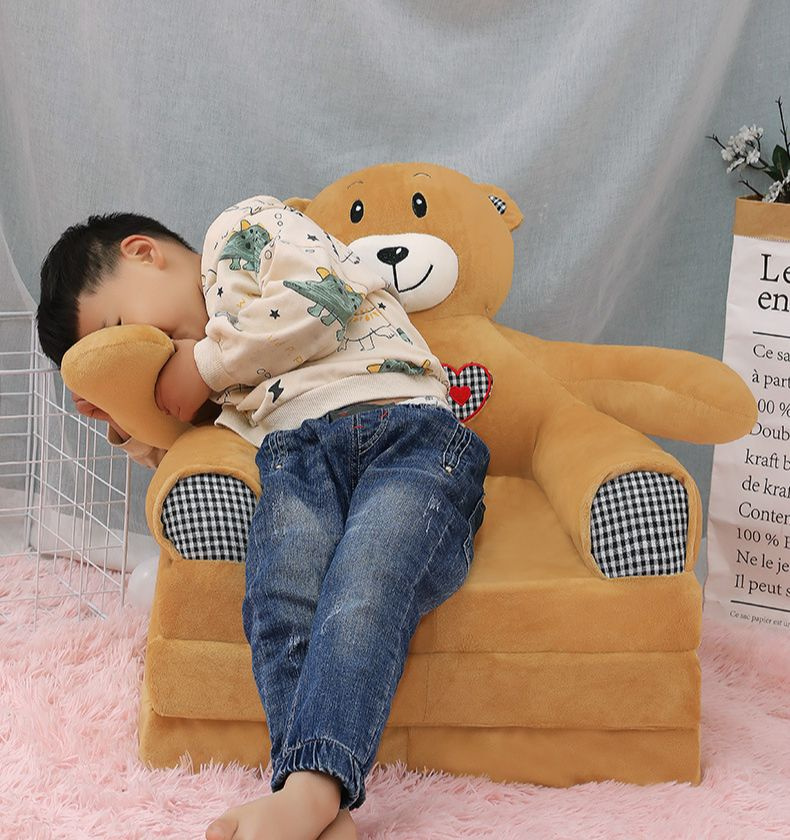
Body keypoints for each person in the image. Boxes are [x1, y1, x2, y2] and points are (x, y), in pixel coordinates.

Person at [36, 195, 490, 840]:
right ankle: (318, 800)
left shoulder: (242, 234)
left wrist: (204, 364)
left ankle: (309, 790)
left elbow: (323, 299)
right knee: (278, 601)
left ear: (142, 253)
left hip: (408, 429)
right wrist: (123, 411)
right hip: (297, 456)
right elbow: (179, 443)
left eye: (122, 324)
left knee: (368, 578)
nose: (151, 347)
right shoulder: (213, 366)